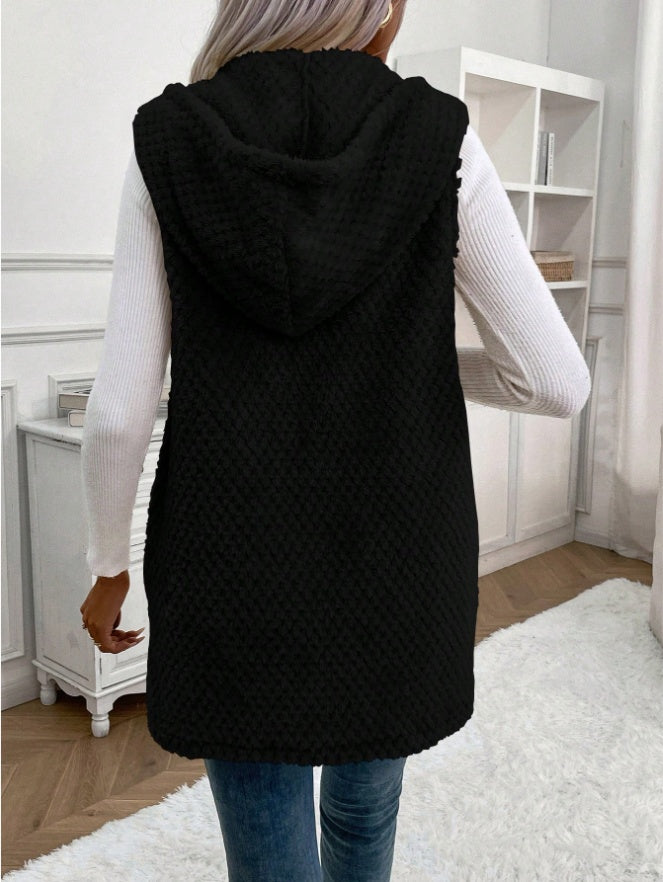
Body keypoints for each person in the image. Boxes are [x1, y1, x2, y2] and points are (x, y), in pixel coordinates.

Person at [79, 1, 592, 879]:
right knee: (363, 808)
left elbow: (119, 413)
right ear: (377, 12)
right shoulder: (436, 135)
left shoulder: (170, 139)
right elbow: (554, 380)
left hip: (230, 562)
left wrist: (106, 567)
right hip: (396, 560)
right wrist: (414, 363)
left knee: (264, 833)